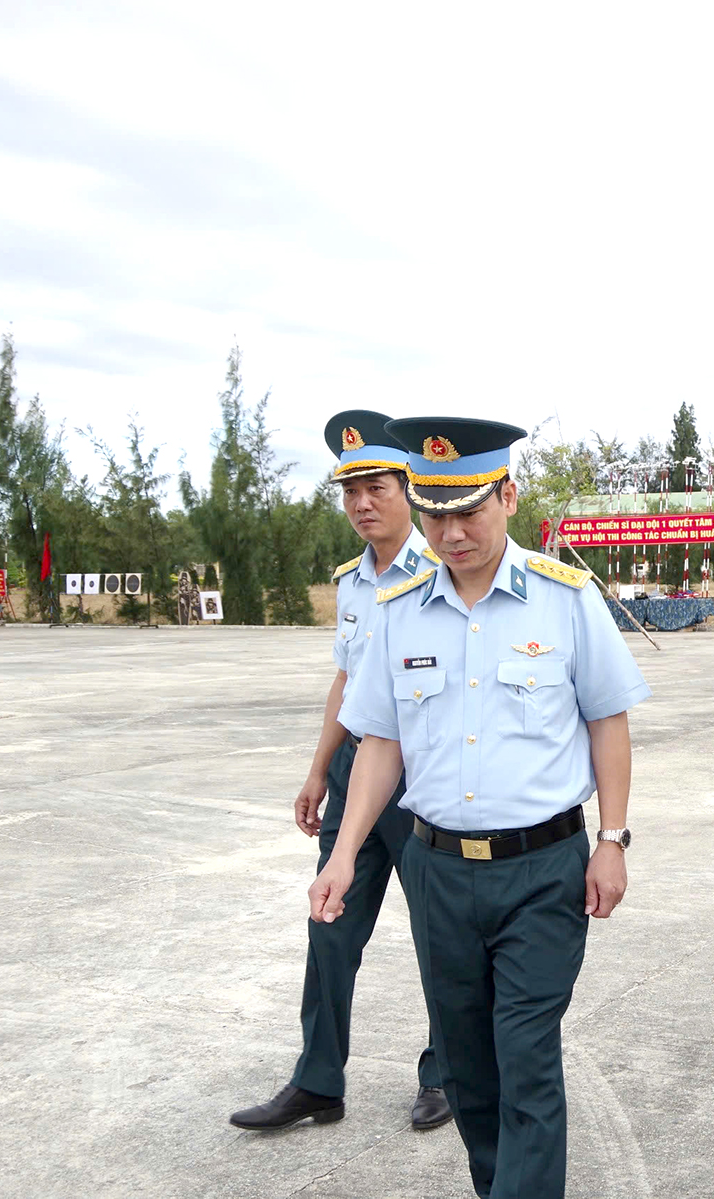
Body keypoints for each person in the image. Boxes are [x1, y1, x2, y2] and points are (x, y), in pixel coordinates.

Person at [308, 417, 650, 1199]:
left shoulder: (565, 600)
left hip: (542, 870)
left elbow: (608, 720)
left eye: (469, 511)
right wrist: (342, 851)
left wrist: (614, 839)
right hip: (437, 874)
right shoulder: (397, 609)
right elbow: (380, 745)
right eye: (434, 514)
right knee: (468, 1070)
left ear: (508, 495)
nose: (451, 532)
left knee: (526, 1055)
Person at [230, 410, 449, 1133]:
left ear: (409, 489)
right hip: (359, 765)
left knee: (438, 934)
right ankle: (319, 1079)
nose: (361, 503)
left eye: (375, 486)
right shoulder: (352, 582)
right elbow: (346, 682)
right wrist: (318, 769)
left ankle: (446, 1073)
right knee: (330, 925)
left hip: (422, 774)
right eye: (349, 489)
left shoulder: (443, 572)